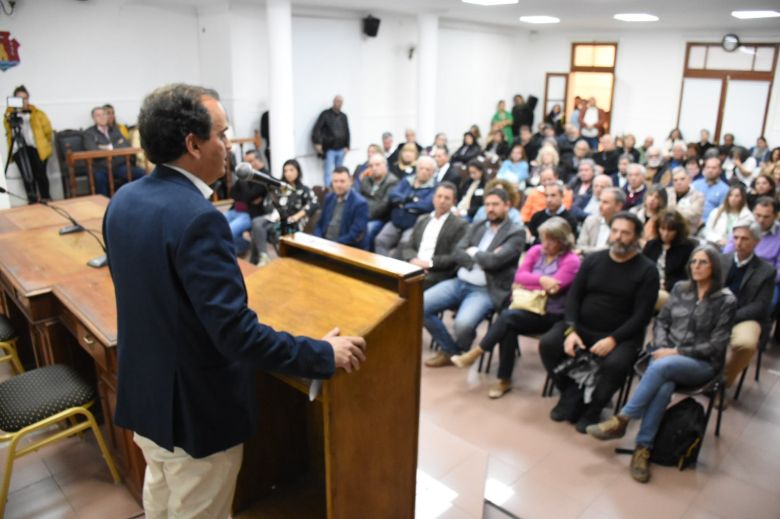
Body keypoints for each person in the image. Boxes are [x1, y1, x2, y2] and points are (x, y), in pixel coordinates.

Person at [103, 84, 366, 517]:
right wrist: (321, 353)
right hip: (195, 413)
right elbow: (235, 335)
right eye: (222, 135)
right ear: (192, 144)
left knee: (161, 502)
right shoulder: (198, 219)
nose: (229, 147)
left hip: (146, 398)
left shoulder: (124, 200)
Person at [587, 244, 735, 483]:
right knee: (664, 383)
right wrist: (663, 347)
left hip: (702, 364)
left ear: (714, 267)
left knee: (662, 368)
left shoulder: (725, 301)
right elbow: (661, 322)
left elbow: (717, 346)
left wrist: (675, 351)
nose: (696, 266)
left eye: (703, 262)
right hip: (666, 359)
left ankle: (623, 419)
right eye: (693, 261)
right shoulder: (680, 289)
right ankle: (642, 449)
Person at [541, 212, 659, 433]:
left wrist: (613, 339)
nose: (618, 237)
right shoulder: (594, 260)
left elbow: (642, 316)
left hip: (621, 334)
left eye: (625, 233)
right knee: (548, 343)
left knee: (616, 364)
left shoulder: (647, 270)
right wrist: (571, 330)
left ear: (636, 238)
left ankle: (593, 408)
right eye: (615, 231)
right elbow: (574, 298)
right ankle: (570, 393)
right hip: (583, 327)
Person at [452, 217, 580, 397]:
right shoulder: (536, 250)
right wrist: (541, 280)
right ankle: (503, 380)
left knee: (507, 318)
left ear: (562, 241)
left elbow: (555, 287)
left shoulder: (571, 261)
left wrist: (530, 283)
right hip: (525, 308)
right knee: (508, 325)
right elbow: (519, 277)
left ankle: (477, 353)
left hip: (550, 313)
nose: (544, 244)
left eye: (550, 240)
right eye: (543, 238)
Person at [423, 189, 525, 367]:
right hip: (459, 281)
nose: (490, 209)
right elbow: (457, 252)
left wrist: (473, 252)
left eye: (495, 205)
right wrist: (481, 257)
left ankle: (459, 348)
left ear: (507, 206)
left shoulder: (516, 233)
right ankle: (453, 351)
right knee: (421, 305)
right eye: (487, 205)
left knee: (462, 325)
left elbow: (496, 261)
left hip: (485, 289)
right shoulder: (478, 225)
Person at [719, 220, 776, 393]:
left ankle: (722, 383)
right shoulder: (721, 260)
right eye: (735, 238)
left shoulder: (766, 271)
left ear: (757, 242)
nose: (738, 243)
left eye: (745, 239)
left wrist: (732, 317)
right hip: (717, 310)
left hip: (745, 316)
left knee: (746, 344)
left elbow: (760, 305)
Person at [398, 182, 468, 289]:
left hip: (436, 272)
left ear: (453, 202)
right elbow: (409, 245)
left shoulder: (460, 225)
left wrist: (428, 264)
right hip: (413, 265)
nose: (442, 201)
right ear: (433, 198)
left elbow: (454, 256)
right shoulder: (422, 219)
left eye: (447, 198)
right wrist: (413, 260)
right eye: (439, 196)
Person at [249, 158, 319, 266]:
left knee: (258, 229)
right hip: (275, 218)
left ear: (298, 171)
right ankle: (263, 256)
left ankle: (256, 259)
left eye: (291, 170)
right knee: (257, 223)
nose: (288, 173)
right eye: (285, 171)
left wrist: (297, 216)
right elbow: (267, 202)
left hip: (291, 222)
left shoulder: (304, 190)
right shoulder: (279, 187)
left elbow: (314, 203)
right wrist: (275, 213)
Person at [374, 155, 437, 256]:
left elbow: (426, 205)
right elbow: (393, 194)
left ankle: (394, 269)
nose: (424, 171)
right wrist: (409, 200)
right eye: (421, 168)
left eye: (428, 169)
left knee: (405, 245)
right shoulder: (407, 180)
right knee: (380, 240)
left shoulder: (434, 187)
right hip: (395, 222)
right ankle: (382, 267)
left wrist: (403, 204)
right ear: (417, 169)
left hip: (413, 225)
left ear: (433, 172)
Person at [724, 197, 780, 306]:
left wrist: (759, 275)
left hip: (765, 279)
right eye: (758, 215)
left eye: (766, 217)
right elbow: (727, 254)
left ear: (775, 216)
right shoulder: (742, 227)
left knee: (767, 304)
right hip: (737, 270)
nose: (761, 220)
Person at [3, 85, 52, 202]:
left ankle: (46, 198)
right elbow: (9, 130)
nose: (23, 101)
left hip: (37, 148)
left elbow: (48, 131)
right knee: (27, 177)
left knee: (41, 175)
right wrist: (15, 113)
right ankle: (33, 200)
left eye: (25, 98)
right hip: (19, 150)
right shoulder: (9, 115)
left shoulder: (37, 113)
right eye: (19, 98)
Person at [84, 106, 146, 196]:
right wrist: (116, 146)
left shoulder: (115, 130)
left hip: (119, 165)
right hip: (102, 167)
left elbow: (126, 145)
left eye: (104, 114)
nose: (102, 117)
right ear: (93, 118)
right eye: (98, 115)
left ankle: (139, 197)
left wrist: (106, 147)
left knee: (141, 173)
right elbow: (93, 150)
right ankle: (103, 204)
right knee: (99, 177)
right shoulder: (89, 133)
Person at [643, 209, 697, 309]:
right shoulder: (652, 245)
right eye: (662, 229)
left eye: (670, 230)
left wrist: (666, 285)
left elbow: (687, 277)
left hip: (673, 293)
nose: (665, 233)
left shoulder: (688, 248)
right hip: (649, 287)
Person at [224, 150, 268, 255]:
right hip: (236, 209)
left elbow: (249, 195)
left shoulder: (265, 176)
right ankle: (239, 246)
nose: (247, 165)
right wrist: (246, 197)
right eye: (245, 162)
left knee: (228, 231)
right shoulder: (247, 175)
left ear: (259, 160)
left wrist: (242, 187)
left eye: (250, 161)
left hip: (250, 214)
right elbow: (232, 193)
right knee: (216, 223)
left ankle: (243, 246)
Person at [313, 167, 368, 248]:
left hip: (345, 248)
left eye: (342, 181)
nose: (338, 185)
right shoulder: (329, 198)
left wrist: (332, 245)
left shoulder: (360, 203)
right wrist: (318, 240)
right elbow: (319, 224)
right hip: (324, 245)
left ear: (351, 181)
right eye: (335, 181)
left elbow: (354, 235)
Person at [359, 154, 399, 250]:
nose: (374, 168)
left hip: (380, 219)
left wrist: (365, 216)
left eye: (377, 165)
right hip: (363, 215)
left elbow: (384, 205)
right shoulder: (366, 179)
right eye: (371, 166)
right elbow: (357, 198)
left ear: (385, 166)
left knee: (368, 229)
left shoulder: (392, 182)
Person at [312, 95, 350, 187]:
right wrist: (318, 142)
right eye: (337, 101)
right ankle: (329, 190)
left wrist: (347, 145)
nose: (339, 104)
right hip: (330, 148)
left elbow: (347, 131)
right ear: (333, 102)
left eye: (341, 102)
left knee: (340, 171)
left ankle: (339, 188)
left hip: (341, 148)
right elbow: (317, 129)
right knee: (328, 171)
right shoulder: (325, 115)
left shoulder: (343, 116)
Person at [577, 187, 626, 255]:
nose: (600, 205)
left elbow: (611, 250)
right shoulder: (590, 220)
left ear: (618, 206)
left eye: (605, 202)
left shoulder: (624, 226)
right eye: (600, 201)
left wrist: (584, 251)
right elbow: (580, 246)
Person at [692, 156, 729, 224]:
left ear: (720, 170)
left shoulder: (725, 189)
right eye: (708, 167)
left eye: (714, 168)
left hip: (711, 224)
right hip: (691, 221)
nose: (710, 170)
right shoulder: (695, 184)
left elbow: (722, 212)